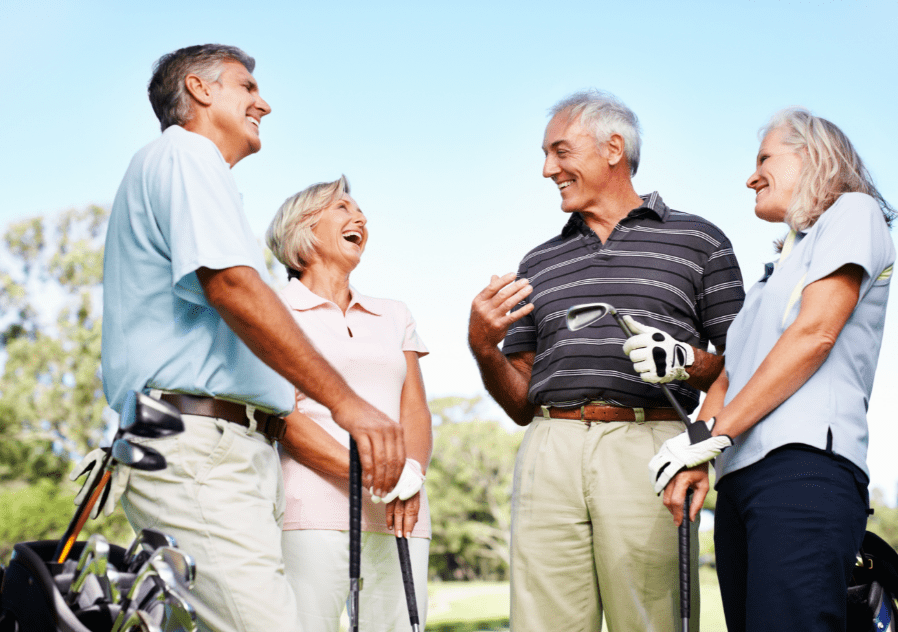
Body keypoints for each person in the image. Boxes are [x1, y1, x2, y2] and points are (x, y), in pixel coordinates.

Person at [99, 45, 405, 632]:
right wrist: (347, 403)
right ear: (199, 89)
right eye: (247, 86)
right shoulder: (186, 154)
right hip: (195, 450)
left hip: (220, 451)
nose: (263, 103)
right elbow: (234, 287)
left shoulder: (190, 171)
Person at [467, 89, 746, 632]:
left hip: (651, 444)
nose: (548, 169)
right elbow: (522, 402)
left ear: (613, 147)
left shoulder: (700, 241)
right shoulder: (539, 261)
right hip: (550, 447)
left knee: (650, 621)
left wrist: (685, 365)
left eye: (560, 151)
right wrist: (481, 345)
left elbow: (741, 366)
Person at [649, 108, 898, 632]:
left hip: (803, 471)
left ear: (813, 157)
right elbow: (727, 379)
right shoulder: (771, 276)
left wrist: (715, 434)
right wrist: (697, 454)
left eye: (765, 158)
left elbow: (815, 335)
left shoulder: (853, 212)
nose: (751, 176)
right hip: (741, 482)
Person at [265, 175, 433, 631]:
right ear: (302, 230)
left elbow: (414, 409)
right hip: (310, 513)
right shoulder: (272, 311)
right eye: (341, 208)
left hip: (402, 509)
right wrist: (371, 475)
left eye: (359, 210)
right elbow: (281, 416)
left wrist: (410, 474)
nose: (359, 217)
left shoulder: (394, 313)